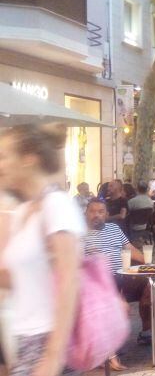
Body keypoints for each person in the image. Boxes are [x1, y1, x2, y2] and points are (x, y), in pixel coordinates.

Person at [0, 124, 84, 376]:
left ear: (29, 159)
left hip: (47, 341)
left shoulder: (57, 205)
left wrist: (53, 356)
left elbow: (70, 280)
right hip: (23, 339)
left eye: (4, 156)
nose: (0, 164)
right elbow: (17, 280)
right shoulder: (23, 212)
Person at [82, 199, 146, 370]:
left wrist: (148, 261)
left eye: (101, 211)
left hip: (123, 276)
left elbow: (130, 249)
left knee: (151, 286)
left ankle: (147, 333)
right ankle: (109, 354)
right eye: (92, 211)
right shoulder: (80, 233)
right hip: (97, 283)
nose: (96, 215)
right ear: (86, 213)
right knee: (116, 302)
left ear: (107, 214)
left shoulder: (114, 228)